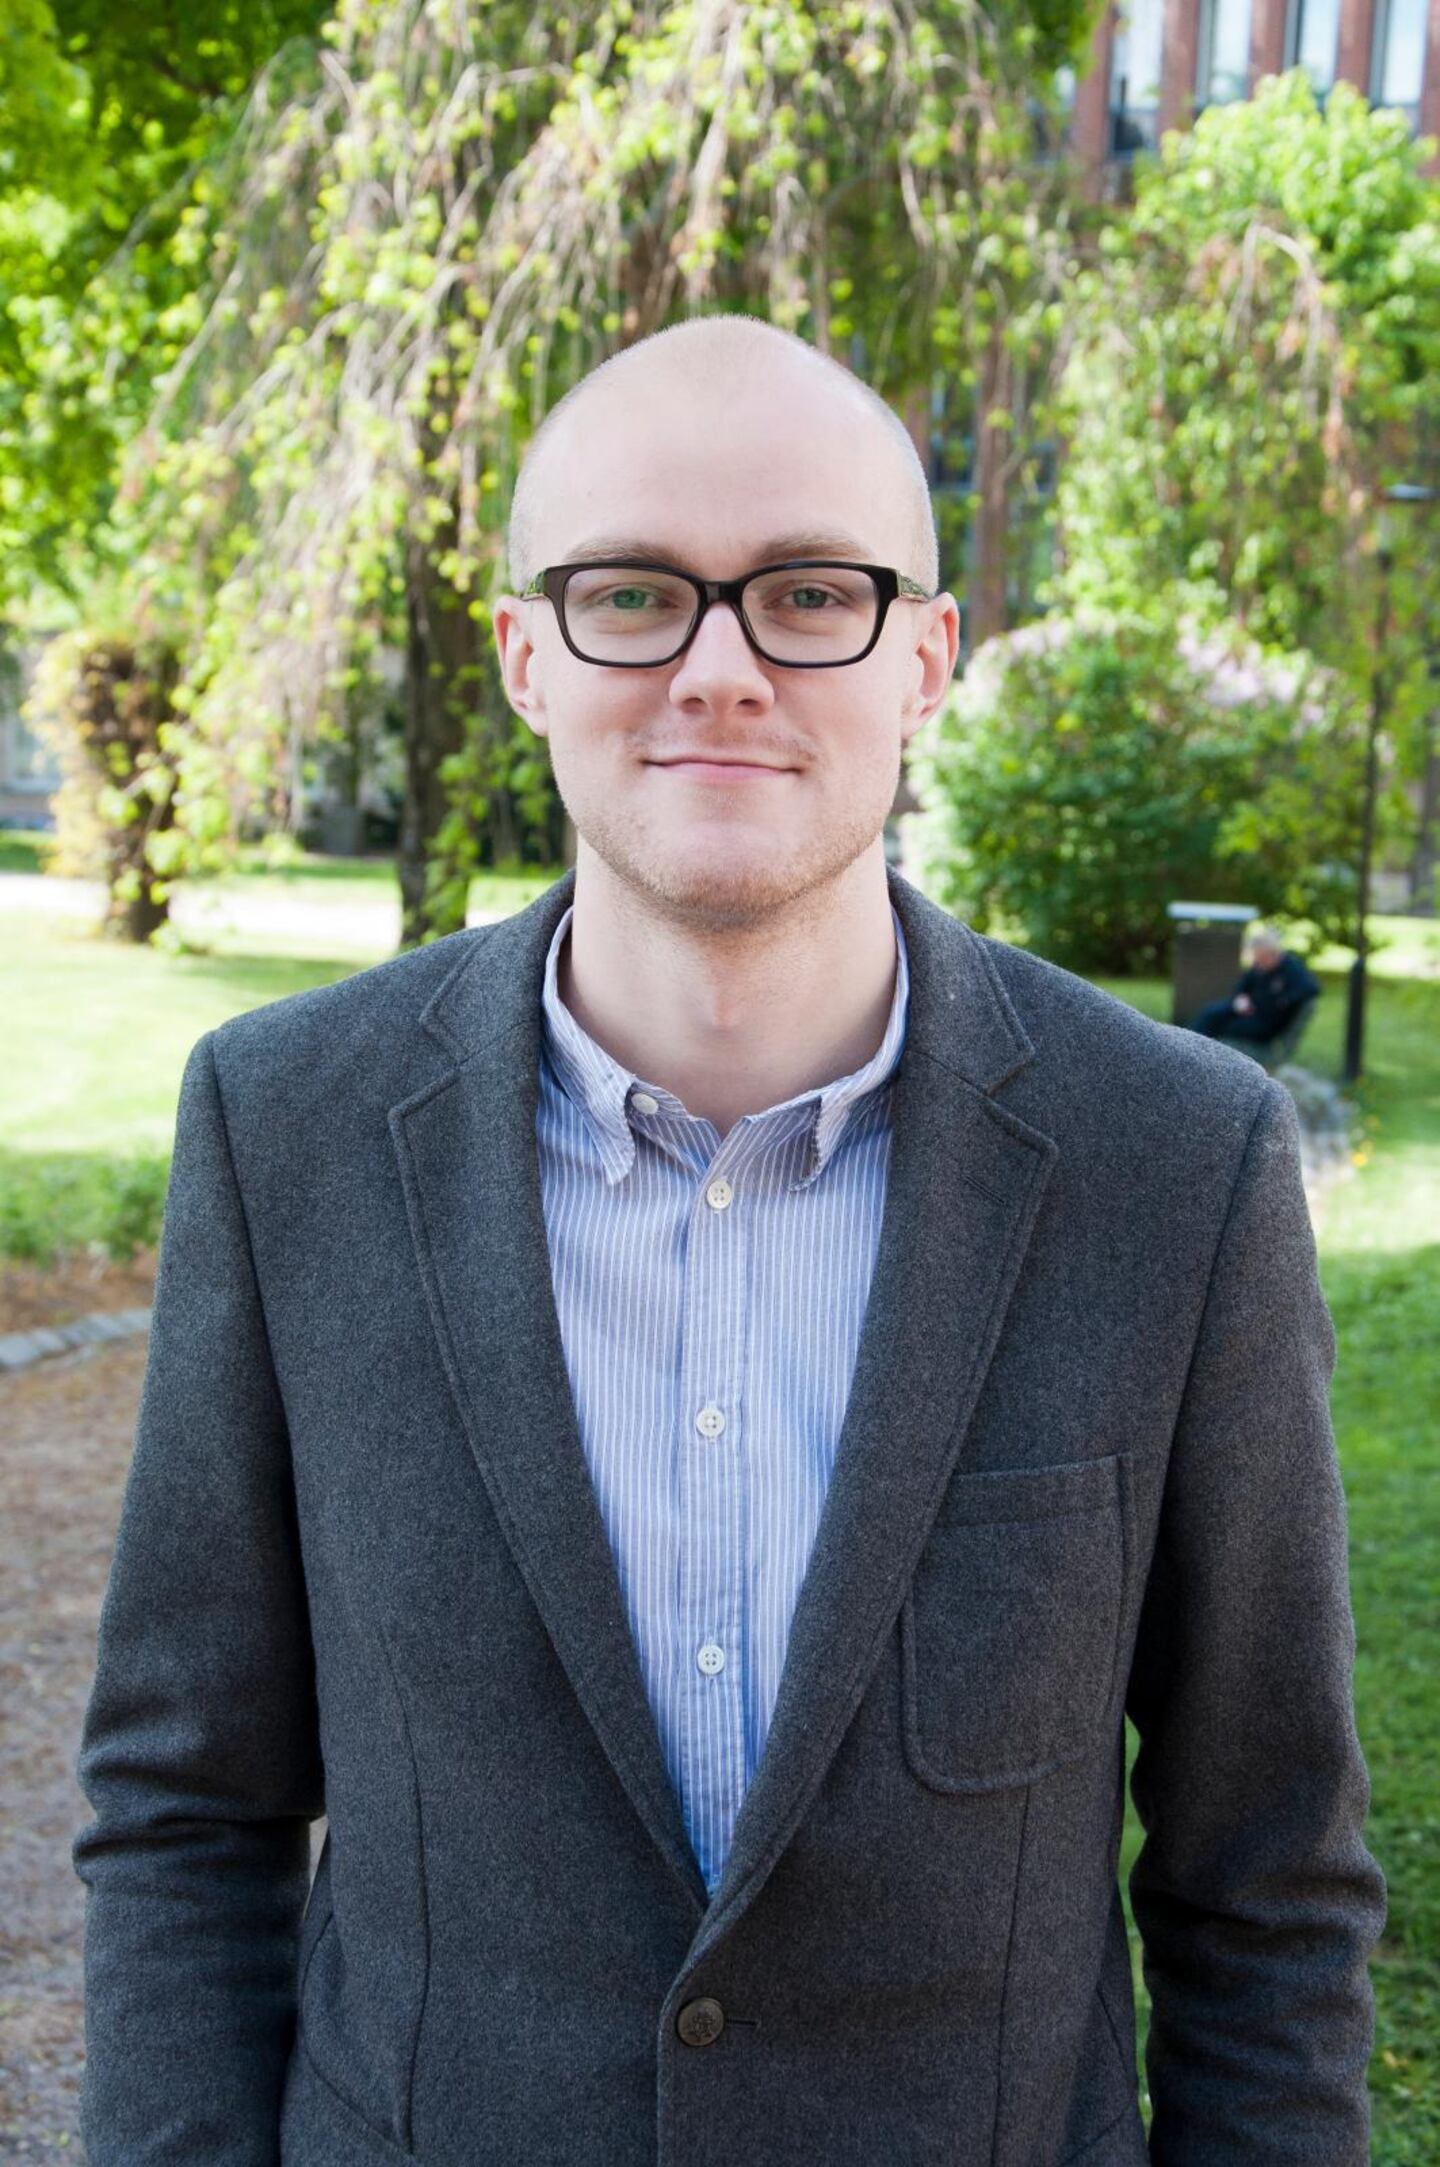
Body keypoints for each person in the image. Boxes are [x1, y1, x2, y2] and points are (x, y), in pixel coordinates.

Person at [73, 315, 1384, 2167]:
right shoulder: (283, 1133)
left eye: (808, 592)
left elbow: (1266, 1881)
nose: (719, 669)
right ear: (527, 653)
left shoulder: (1176, 1166)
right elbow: (183, 1805)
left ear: (925, 655)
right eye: (631, 594)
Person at [1187, 924, 1322, 1046]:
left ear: (1274, 955)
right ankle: (1191, 1046)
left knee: (1221, 1027)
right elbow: (1242, 985)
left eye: (1262, 959)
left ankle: (1198, 1051)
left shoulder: (1291, 969)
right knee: (1210, 1013)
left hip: (1264, 1022)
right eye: (1257, 959)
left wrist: (1283, 1001)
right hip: (1246, 1010)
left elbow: (1311, 988)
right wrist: (1240, 998)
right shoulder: (1259, 968)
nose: (1259, 964)